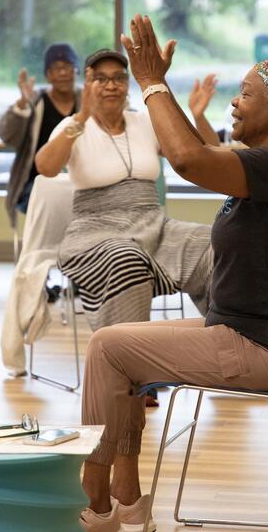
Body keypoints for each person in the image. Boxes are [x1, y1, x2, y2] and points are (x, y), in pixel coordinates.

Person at [76, 14, 268, 532]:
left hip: (263, 349)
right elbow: (201, 154)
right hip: (253, 336)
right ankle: (121, 495)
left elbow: (189, 160)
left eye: (247, 94)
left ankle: (93, 498)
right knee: (116, 348)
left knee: (107, 347)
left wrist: (149, 82)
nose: (234, 102)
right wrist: (162, 88)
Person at [35, 47, 217, 336]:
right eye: (101, 79)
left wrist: (198, 115)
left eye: (119, 77)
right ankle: (128, 365)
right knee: (126, 259)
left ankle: (228, 341)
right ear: (88, 83)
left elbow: (205, 153)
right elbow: (44, 166)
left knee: (215, 242)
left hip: (153, 225)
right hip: (96, 233)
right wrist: (81, 117)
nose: (111, 85)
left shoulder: (144, 120)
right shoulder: (73, 126)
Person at [0, 43, 82, 226]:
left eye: (67, 67)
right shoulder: (35, 102)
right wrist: (22, 103)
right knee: (54, 203)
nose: (62, 73)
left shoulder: (87, 102)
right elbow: (6, 135)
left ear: (77, 71)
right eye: (55, 68)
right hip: (36, 182)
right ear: (47, 75)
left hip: (81, 179)